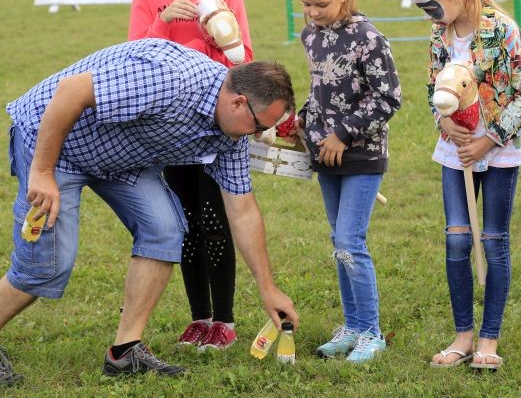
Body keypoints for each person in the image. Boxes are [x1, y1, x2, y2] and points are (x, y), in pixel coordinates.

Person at [0, 38, 299, 385]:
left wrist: (268, 287)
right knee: (45, 267)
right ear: (238, 102)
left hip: (121, 156)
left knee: (165, 229)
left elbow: (243, 210)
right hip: (55, 142)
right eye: (259, 126)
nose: (259, 134)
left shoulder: (231, 135)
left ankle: (125, 352)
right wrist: (41, 172)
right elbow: (71, 92)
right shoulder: (171, 78)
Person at [408, 0, 521, 371]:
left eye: (431, 5)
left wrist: (490, 139)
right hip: (456, 151)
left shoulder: (502, 29)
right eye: (421, 8)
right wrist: (444, 122)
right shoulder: (440, 35)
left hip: (499, 149)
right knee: (457, 240)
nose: (428, 16)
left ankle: (489, 339)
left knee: (494, 240)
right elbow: (434, 88)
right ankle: (463, 335)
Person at [128, 0, 254, 351]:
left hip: (215, 125)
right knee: (186, 223)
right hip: (169, 127)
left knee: (216, 220)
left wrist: (218, 40)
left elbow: (244, 58)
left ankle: (225, 320)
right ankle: (199, 315)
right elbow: (133, 62)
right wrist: (163, 21)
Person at [290, 0, 402, 363]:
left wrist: (342, 133)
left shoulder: (368, 38)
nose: (312, 12)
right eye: (306, 4)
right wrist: (303, 119)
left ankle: (371, 332)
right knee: (339, 242)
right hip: (326, 156)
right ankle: (352, 326)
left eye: (320, 4)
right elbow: (321, 89)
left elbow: (388, 98)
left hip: (361, 154)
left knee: (350, 241)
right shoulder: (311, 36)